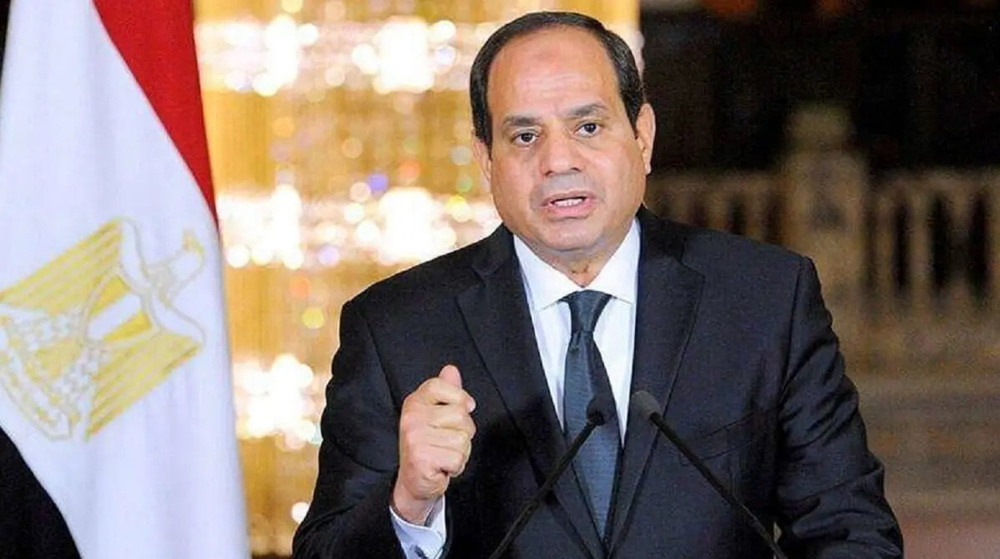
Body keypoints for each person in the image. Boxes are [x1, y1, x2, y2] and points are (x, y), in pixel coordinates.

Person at [293, 11, 903, 559]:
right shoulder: (395, 329)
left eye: (587, 127)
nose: (558, 162)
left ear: (643, 136)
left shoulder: (765, 299)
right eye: (525, 136)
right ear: (486, 160)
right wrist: (409, 503)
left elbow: (851, 533)